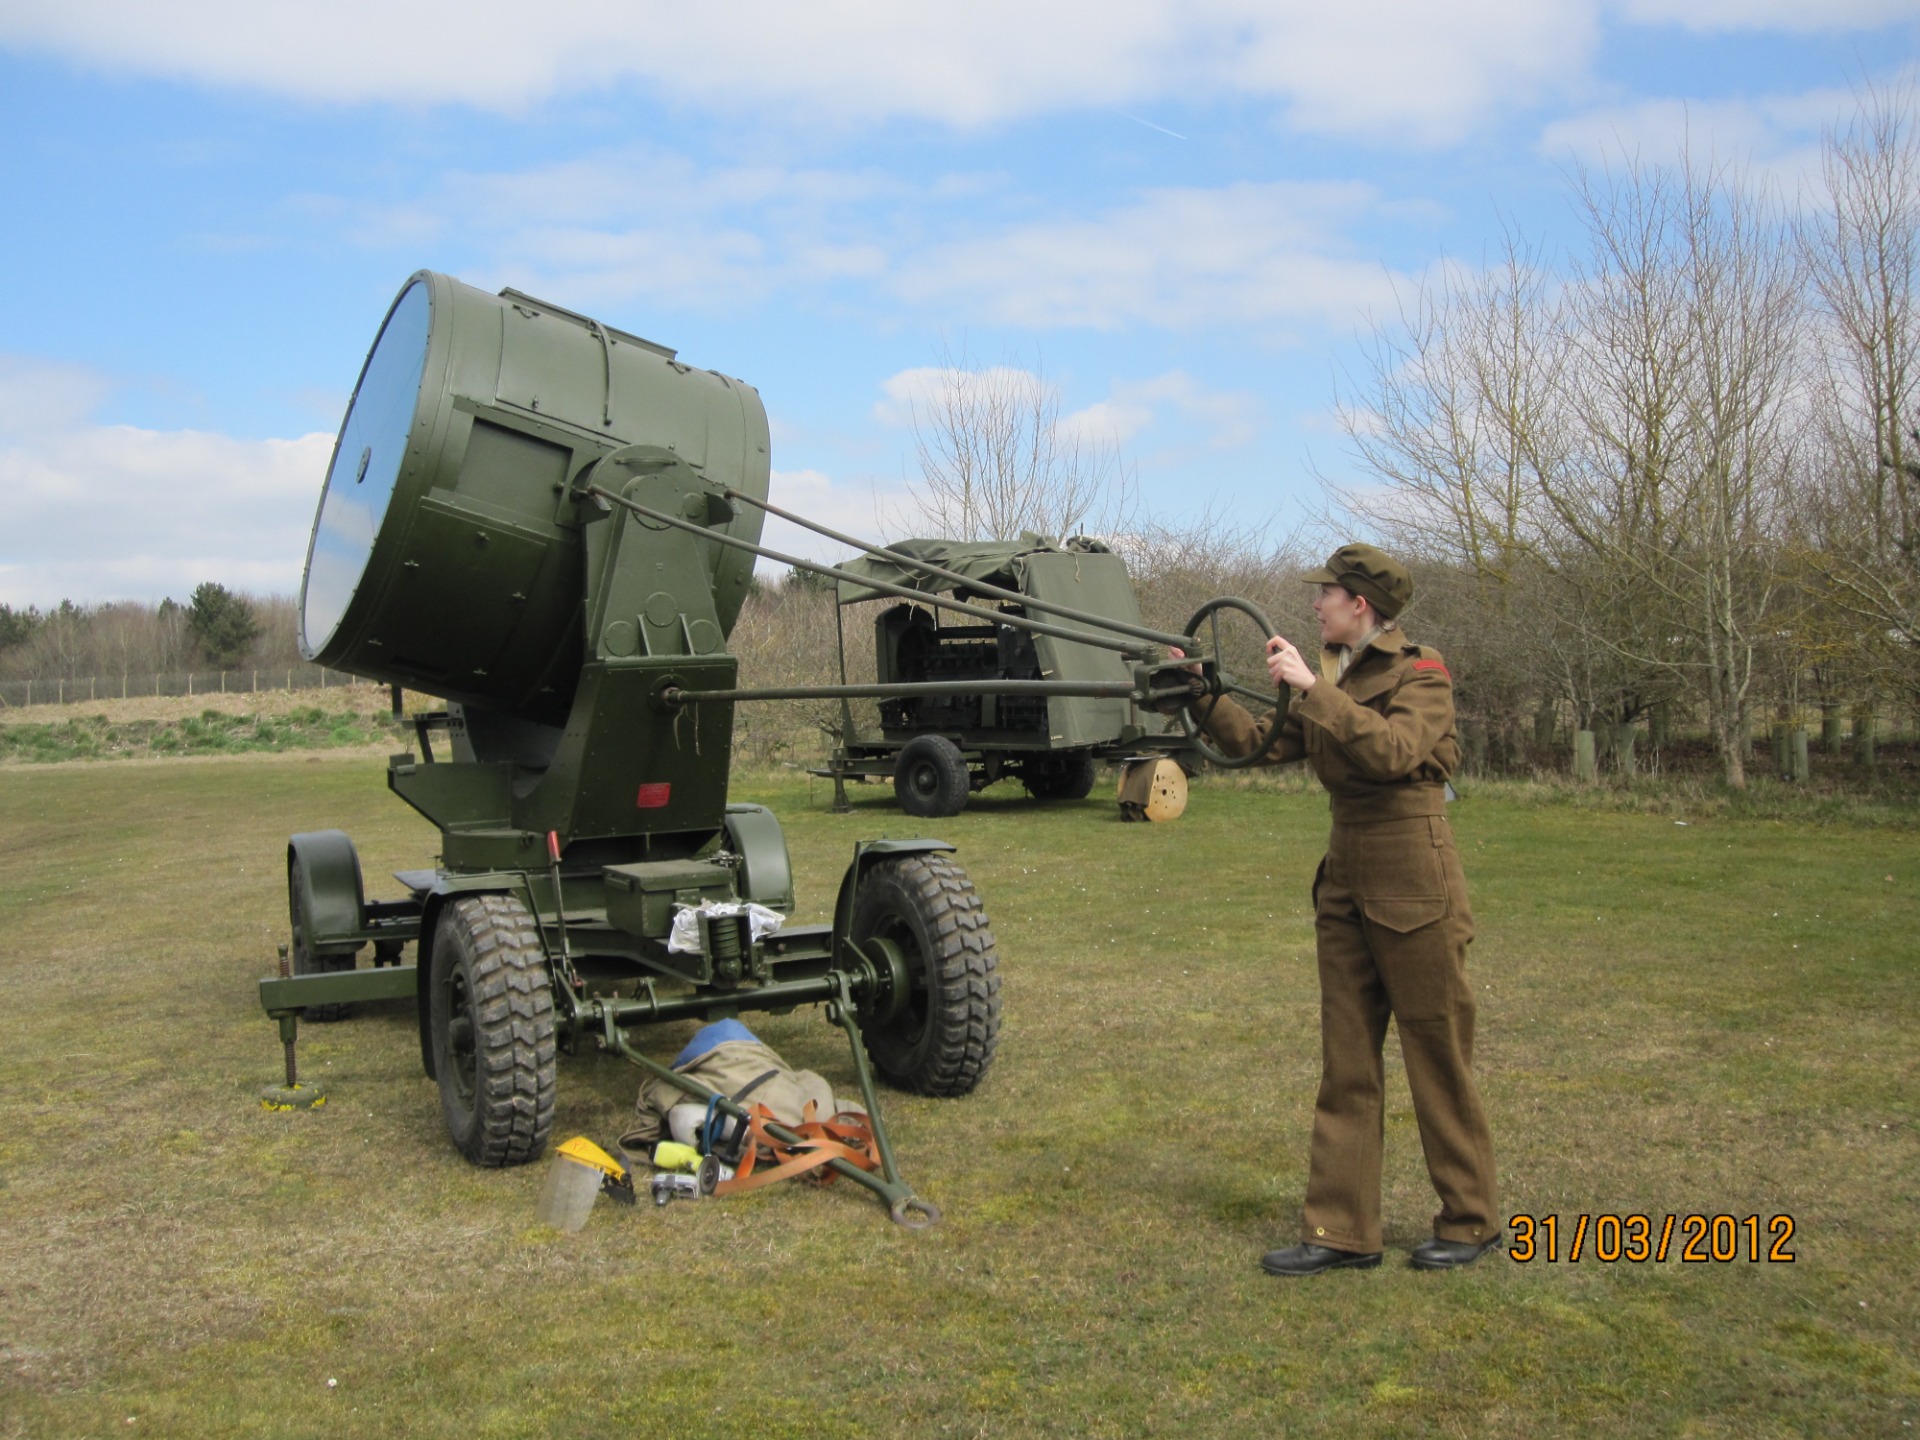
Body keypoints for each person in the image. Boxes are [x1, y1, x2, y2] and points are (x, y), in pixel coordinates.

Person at [1173, 544, 1499, 1275]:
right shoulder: (1331, 677)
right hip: (1346, 873)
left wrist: (1311, 690)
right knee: (1346, 1059)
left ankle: (1471, 1218)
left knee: (1436, 1050)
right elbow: (1259, 743)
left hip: (1413, 871)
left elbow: (1393, 751)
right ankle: (1342, 1231)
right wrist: (1198, 691)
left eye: (1327, 594)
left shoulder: (1422, 670)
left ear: (1361, 605)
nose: (1315, 604)